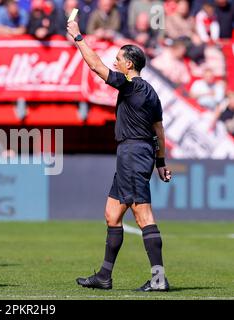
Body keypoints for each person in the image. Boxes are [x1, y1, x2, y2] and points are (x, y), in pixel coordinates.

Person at [67, 20, 172, 292]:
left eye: (118, 60)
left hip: (133, 154)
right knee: (112, 214)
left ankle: (159, 278)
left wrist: (78, 36)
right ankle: (104, 276)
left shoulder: (131, 85)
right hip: (137, 153)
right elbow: (158, 129)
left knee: (143, 214)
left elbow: (95, 66)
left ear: (129, 65)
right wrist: (160, 162)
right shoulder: (150, 91)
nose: (114, 63)